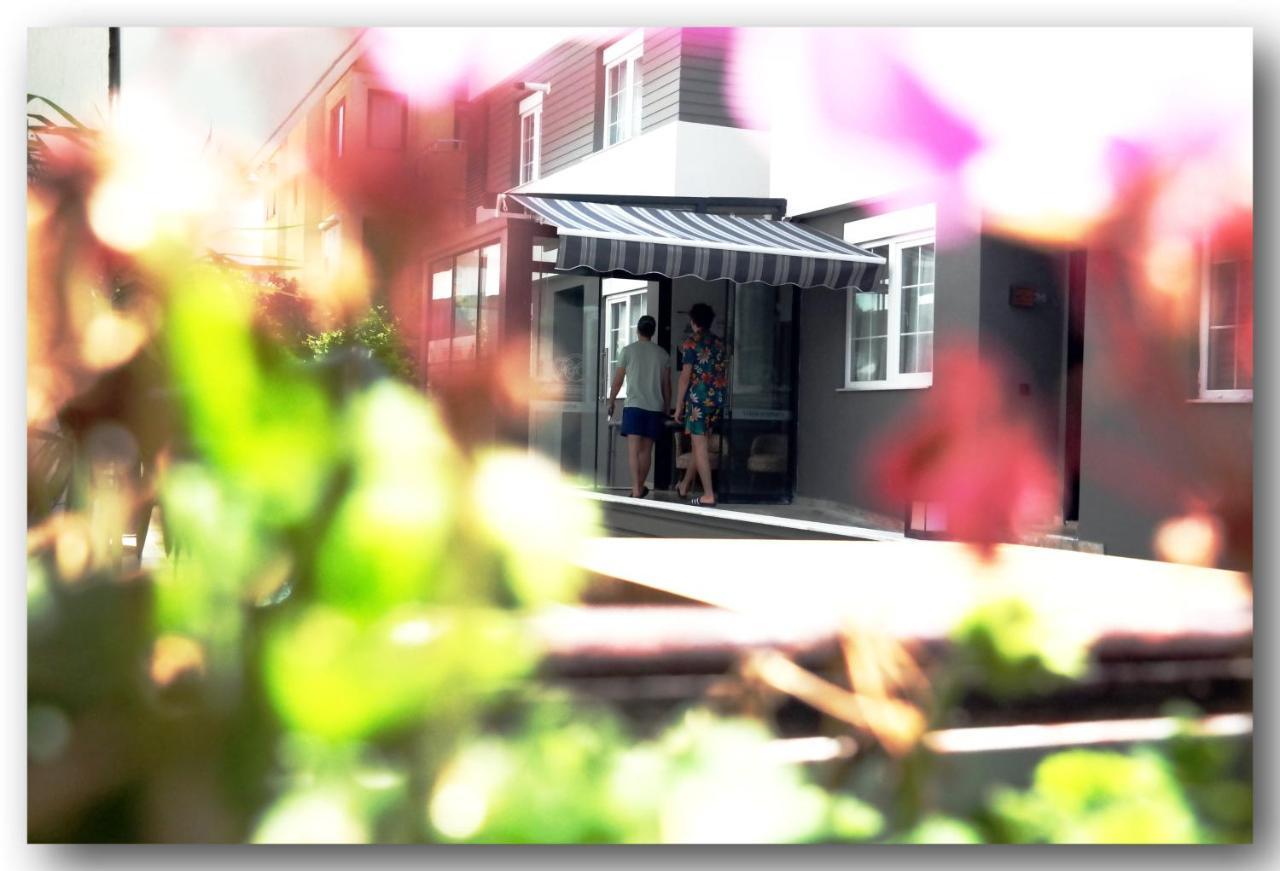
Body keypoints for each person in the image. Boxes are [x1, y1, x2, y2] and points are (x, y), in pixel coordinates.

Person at [606, 315, 671, 499]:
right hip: (655, 407)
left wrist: (611, 401)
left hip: (634, 406)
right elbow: (667, 385)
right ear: (653, 331)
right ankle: (640, 487)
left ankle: (635, 489)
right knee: (646, 451)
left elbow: (618, 380)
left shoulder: (628, 351)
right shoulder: (663, 354)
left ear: (637, 330)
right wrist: (667, 407)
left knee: (633, 450)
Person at [673, 302, 728, 506]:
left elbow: (685, 377)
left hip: (698, 400)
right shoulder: (719, 343)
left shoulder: (691, 343)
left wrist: (679, 405)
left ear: (693, 321)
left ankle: (708, 494)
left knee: (699, 445)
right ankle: (685, 485)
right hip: (717, 399)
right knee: (701, 444)